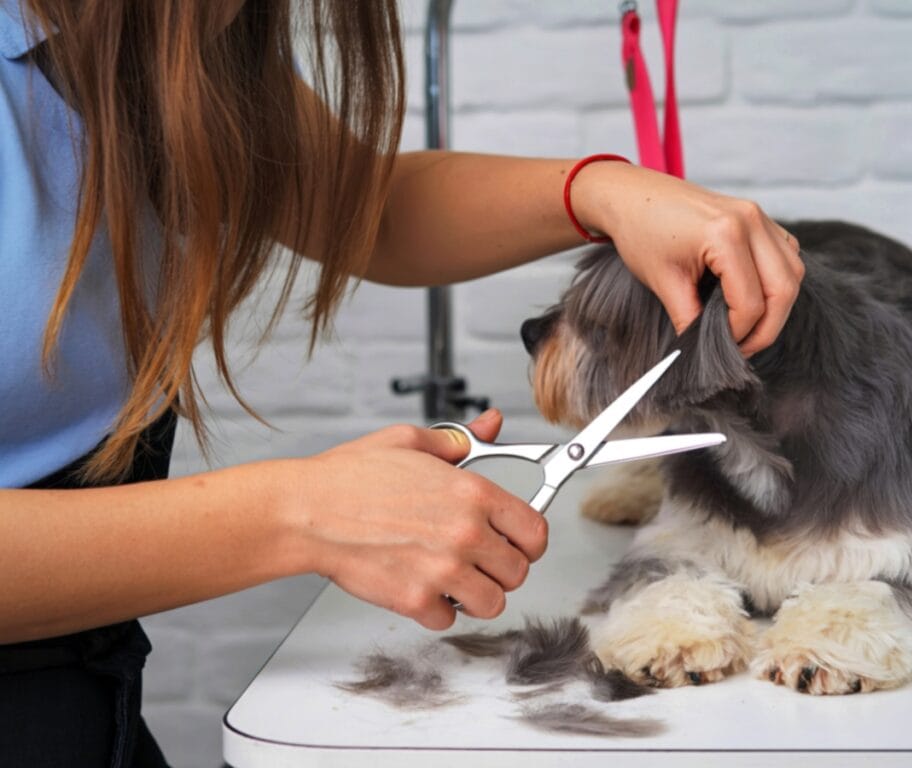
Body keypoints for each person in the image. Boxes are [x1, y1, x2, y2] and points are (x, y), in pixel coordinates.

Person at [0, 0, 803, 765]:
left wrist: (601, 191)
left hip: (85, 675)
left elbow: (366, 209)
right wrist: (301, 515)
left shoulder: (173, 39)